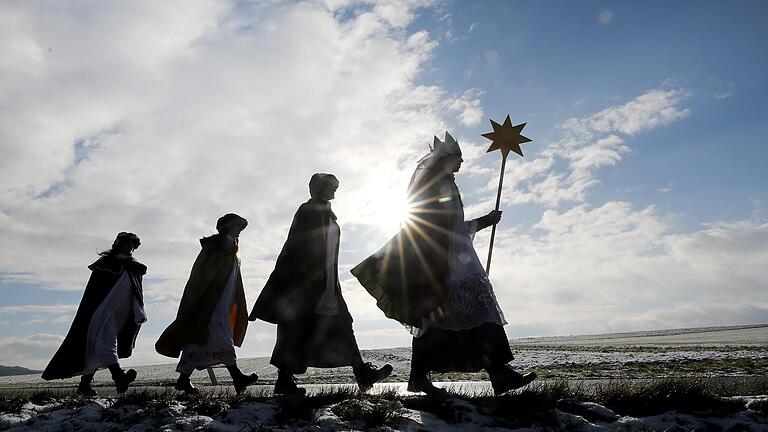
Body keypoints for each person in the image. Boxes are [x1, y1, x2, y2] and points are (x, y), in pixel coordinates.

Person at [351, 133, 536, 397]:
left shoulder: (444, 183)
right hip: (446, 261)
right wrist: (485, 221)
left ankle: (496, 373)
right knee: (448, 315)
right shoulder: (439, 185)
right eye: (458, 158)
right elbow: (446, 227)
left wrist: (484, 222)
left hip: (452, 258)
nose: (461, 164)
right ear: (447, 159)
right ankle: (482, 374)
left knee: (458, 315)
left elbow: (452, 226)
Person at [250, 173, 393, 395]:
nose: (335, 190)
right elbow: (296, 247)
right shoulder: (308, 211)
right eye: (330, 186)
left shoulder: (327, 214)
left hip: (327, 284)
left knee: (342, 325)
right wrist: (306, 279)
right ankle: (284, 379)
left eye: (336, 186)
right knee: (297, 329)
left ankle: (362, 373)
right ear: (318, 188)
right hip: (306, 285)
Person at [155, 214, 258, 394]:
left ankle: (183, 379)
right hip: (211, 302)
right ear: (227, 227)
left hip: (222, 302)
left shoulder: (231, 249)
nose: (240, 232)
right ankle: (237, 377)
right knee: (218, 334)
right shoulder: (217, 247)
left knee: (198, 340)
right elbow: (202, 277)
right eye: (237, 227)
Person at [42, 232, 146, 396]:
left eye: (132, 245)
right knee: (105, 342)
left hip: (120, 314)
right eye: (127, 244)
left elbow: (136, 293)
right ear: (119, 244)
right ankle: (118, 377)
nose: (130, 248)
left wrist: (137, 310)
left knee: (95, 347)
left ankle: (84, 386)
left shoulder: (134, 268)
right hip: (101, 311)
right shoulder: (105, 264)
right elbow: (93, 292)